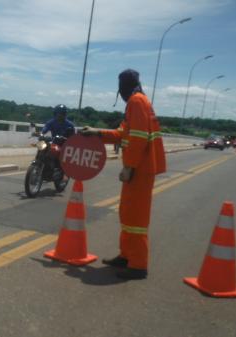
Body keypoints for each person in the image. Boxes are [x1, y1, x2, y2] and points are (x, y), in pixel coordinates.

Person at [79, 69, 166, 280]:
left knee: (135, 217)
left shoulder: (137, 102)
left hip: (140, 169)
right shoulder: (137, 102)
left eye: (120, 86)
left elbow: (137, 137)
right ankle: (127, 255)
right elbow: (122, 134)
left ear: (123, 86)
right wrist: (97, 133)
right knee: (127, 214)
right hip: (140, 168)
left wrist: (130, 167)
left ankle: (137, 265)